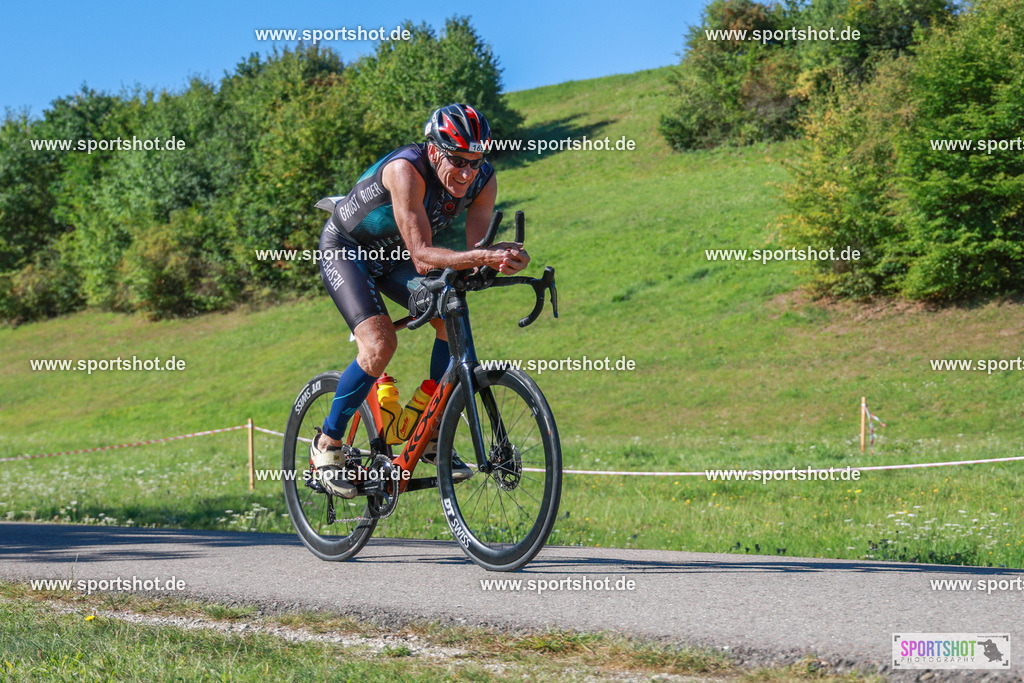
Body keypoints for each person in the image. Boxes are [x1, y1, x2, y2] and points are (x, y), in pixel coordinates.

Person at [310, 103, 530, 498]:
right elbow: (424, 254)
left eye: (475, 162)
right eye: (457, 160)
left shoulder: (483, 181)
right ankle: (327, 444)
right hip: (349, 250)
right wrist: (484, 256)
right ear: (434, 149)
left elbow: (476, 254)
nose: (466, 173)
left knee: (451, 316)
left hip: (394, 257)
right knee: (380, 344)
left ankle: (428, 431)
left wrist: (502, 261)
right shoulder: (405, 170)